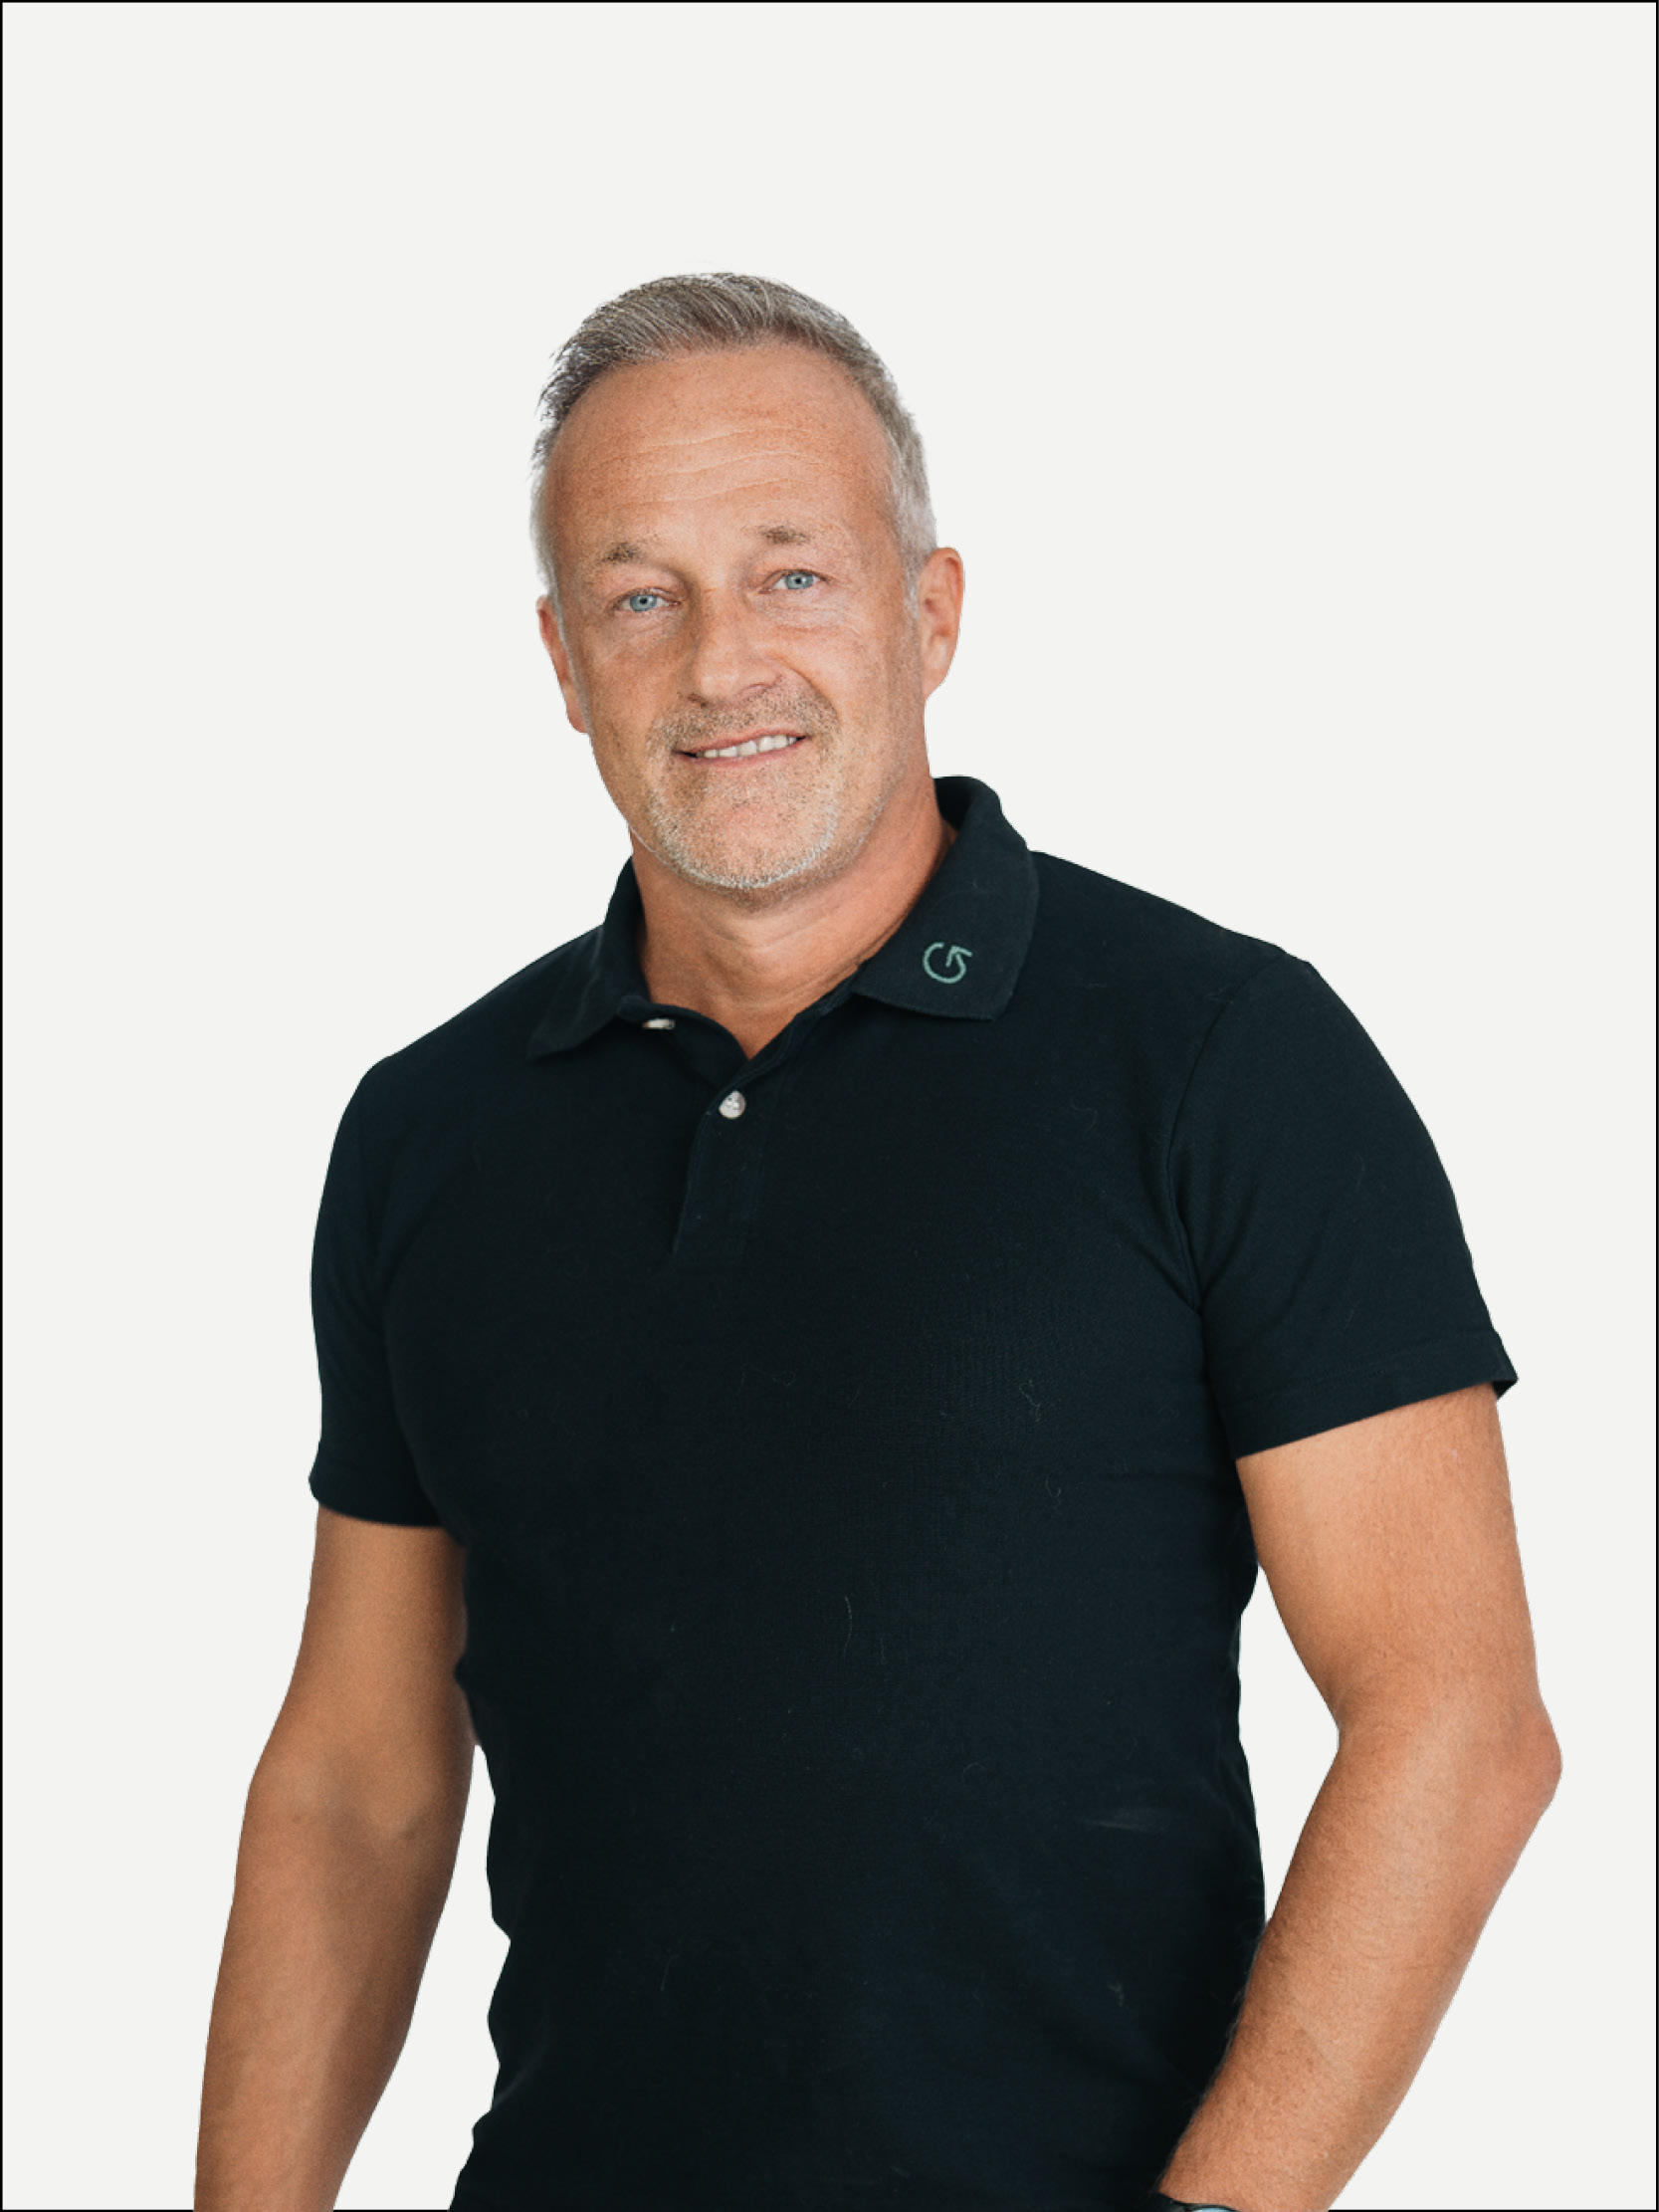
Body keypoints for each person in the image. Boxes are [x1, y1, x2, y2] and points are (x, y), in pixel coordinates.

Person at [195, 274, 1559, 2212]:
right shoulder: (431, 1133)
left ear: (931, 612)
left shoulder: (1221, 1059)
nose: (722, 662)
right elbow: (358, 1777)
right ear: (564, 660)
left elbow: (1457, 1715)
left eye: (793, 576)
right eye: (641, 594)